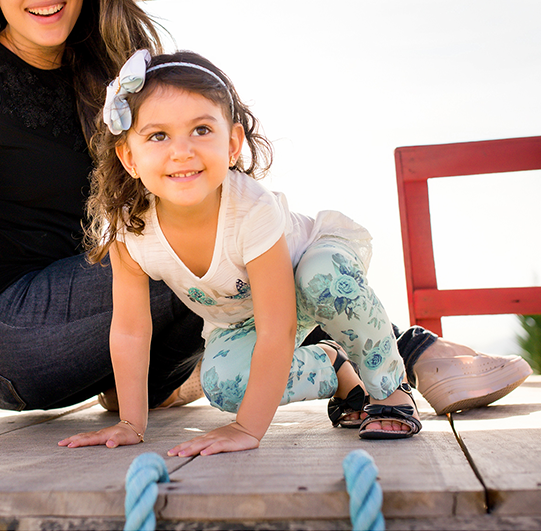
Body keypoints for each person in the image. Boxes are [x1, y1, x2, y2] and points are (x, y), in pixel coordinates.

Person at [0, 0, 530, 456]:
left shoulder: (118, 74)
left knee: (212, 225)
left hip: (107, 325)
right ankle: (407, 351)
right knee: (195, 245)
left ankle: (342, 369)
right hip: (6, 335)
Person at [60, 50, 424, 456]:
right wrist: (131, 422)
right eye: (158, 136)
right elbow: (130, 330)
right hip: (244, 317)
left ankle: (390, 389)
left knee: (320, 277)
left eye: (201, 129)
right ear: (129, 157)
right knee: (224, 384)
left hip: (314, 265)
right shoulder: (131, 230)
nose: (182, 151)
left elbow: (278, 327)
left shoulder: (251, 210)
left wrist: (246, 429)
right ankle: (335, 370)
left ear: (232, 144)